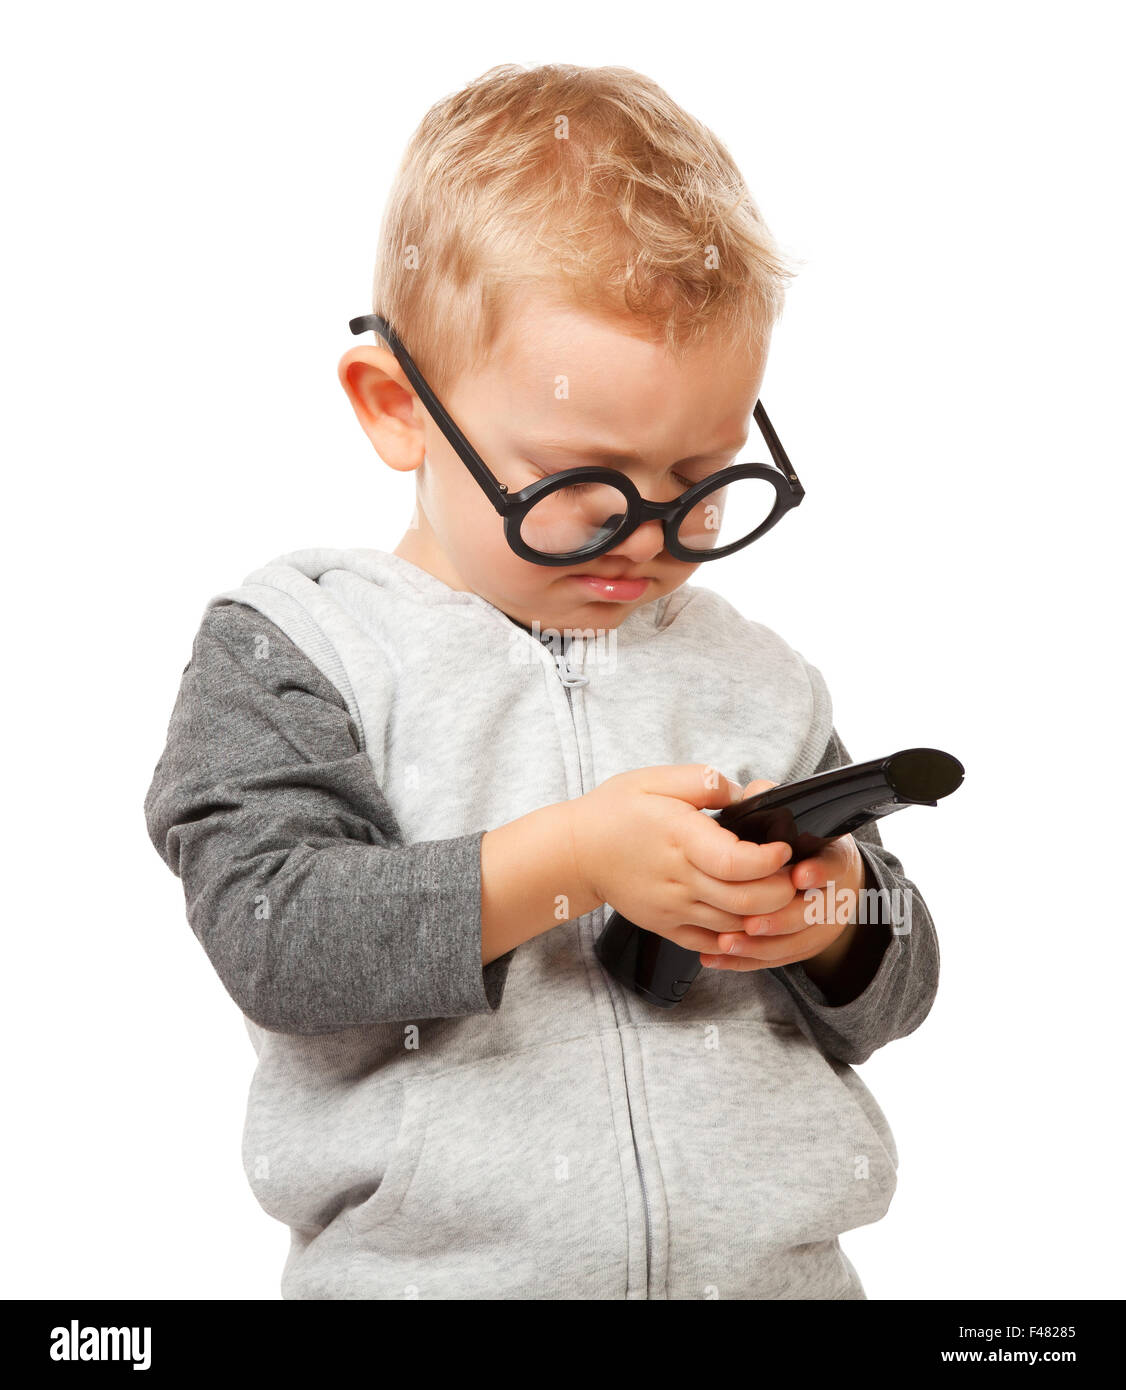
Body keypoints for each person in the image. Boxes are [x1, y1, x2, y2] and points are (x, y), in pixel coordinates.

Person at [144, 62, 939, 1300]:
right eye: (585, 481)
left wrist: (828, 912)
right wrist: (572, 859)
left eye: (701, 477)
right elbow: (275, 933)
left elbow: (899, 967)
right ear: (399, 409)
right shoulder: (296, 647)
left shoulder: (755, 674)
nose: (650, 537)